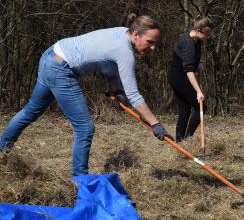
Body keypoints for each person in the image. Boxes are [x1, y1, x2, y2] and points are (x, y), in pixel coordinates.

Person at [0, 14, 173, 176]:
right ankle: (80, 181)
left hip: (50, 55)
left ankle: (1, 151)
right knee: (85, 128)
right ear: (136, 34)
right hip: (61, 69)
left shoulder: (121, 33)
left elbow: (107, 65)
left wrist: (115, 89)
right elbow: (134, 96)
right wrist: (155, 124)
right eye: (150, 42)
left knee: (31, 111)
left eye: (155, 43)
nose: (153, 48)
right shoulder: (125, 51)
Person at [168, 16, 215, 142]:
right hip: (179, 78)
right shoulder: (188, 43)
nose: (209, 36)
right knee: (202, 107)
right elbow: (188, 71)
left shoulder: (197, 40)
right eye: (208, 33)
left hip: (178, 76)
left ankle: (179, 142)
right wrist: (198, 91)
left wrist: (198, 63)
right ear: (200, 31)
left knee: (184, 109)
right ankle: (187, 140)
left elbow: (192, 61)